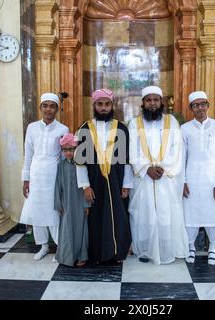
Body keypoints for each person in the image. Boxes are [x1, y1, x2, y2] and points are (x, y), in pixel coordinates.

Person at [128, 86, 189, 265]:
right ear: (143, 103)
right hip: (143, 179)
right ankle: (145, 249)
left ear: (161, 102)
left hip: (166, 179)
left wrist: (162, 168)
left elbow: (178, 149)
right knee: (143, 215)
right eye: (149, 100)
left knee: (166, 215)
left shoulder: (172, 122)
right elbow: (132, 150)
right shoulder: (134, 123)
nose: (152, 103)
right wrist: (146, 168)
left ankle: (166, 249)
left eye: (155, 100)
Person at [74, 89, 132, 264]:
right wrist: (85, 186)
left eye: (107, 104)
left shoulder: (120, 128)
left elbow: (127, 160)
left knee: (118, 216)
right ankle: (97, 254)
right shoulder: (85, 128)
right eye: (100, 104)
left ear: (112, 106)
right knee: (96, 218)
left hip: (116, 180)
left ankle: (117, 253)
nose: (104, 108)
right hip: (94, 181)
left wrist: (126, 184)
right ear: (94, 105)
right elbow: (80, 162)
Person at [181, 91, 215, 265]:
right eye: (196, 105)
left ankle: (212, 249)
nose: (200, 108)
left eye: (203, 104)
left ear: (208, 105)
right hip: (192, 179)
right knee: (190, 215)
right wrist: (182, 181)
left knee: (212, 215)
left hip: (212, 180)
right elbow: (182, 157)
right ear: (191, 108)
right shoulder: (185, 129)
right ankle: (191, 247)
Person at [20, 93, 69, 261]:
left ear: (57, 109)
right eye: (45, 105)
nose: (48, 109)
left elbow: (64, 158)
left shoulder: (63, 129)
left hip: (53, 176)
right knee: (37, 211)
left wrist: (63, 182)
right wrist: (25, 179)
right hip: (35, 175)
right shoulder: (32, 127)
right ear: (40, 107)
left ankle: (60, 247)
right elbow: (28, 154)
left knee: (54, 211)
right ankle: (43, 246)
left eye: (52, 106)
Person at [54, 133, 89, 267]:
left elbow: (86, 185)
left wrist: (87, 204)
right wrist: (58, 204)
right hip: (67, 203)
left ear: (76, 149)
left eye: (71, 149)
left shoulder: (81, 164)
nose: (68, 153)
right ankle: (68, 257)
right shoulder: (61, 165)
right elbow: (58, 185)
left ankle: (82, 256)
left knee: (81, 230)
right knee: (67, 229)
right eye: (65, 150)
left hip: (80, 203)